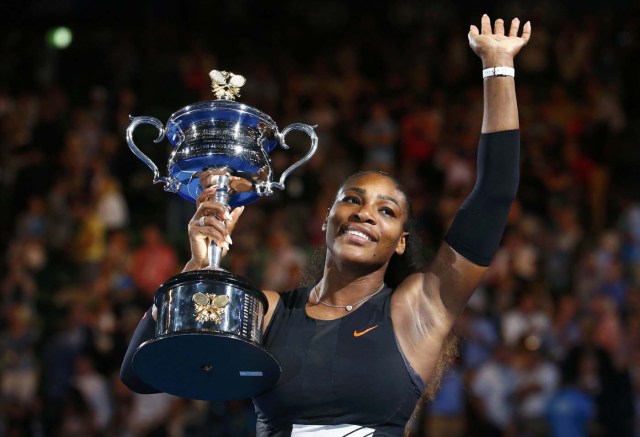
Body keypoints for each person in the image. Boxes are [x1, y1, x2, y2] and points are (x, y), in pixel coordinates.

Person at [121, 15, 531, 436]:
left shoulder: (419, 308)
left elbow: (494, 193)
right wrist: (196, 268)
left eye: (386, 211)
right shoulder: (267, 313)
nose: (365, 213)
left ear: (401, 243)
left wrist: (497, 66)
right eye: (351, 200)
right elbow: (142, 373)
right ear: (326, 221)